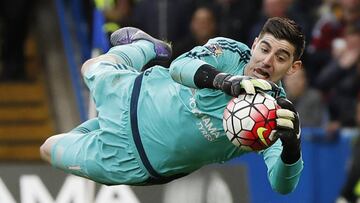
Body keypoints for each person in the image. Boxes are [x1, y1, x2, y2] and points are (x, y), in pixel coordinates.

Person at [40, 17, 304, 194]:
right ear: (255, 44)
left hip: (131, 161)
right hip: (133, 96)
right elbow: (180, 67)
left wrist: (292, 149)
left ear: (293, 68)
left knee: (48, 149)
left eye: (280, 57)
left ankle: (100, 127)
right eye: (264, 49)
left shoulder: (274, 117)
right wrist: (225, 82)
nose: (267, 61)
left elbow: (282, 185)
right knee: (90, 67)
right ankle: (146, 46)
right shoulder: (231, 52)